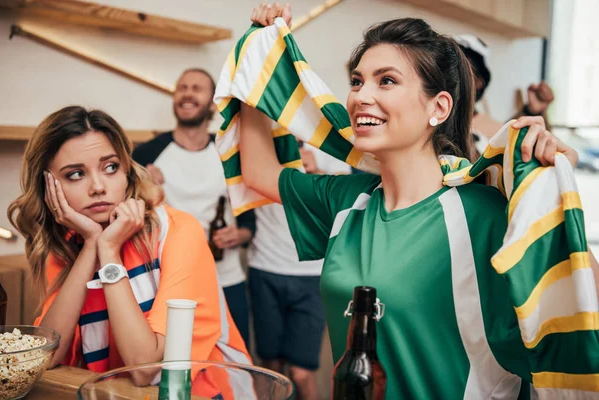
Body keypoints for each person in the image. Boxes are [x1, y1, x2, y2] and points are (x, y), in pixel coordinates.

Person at [234, 4, 599, 398]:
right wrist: (258, 56)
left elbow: (583, 307)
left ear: (438, 107)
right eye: (357, 82)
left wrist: (554, 192)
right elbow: (257, 171)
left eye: (386, 81)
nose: (360, 97)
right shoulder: (347, 202)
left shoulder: (483, 212)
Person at [7, 107, 250, 384]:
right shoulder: (68, 245)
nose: (98, 187)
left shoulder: (179, 231)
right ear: (49, 188)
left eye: (110, 167)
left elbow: (146, 368)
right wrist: (91, 245)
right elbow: (46, 357)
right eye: (76, 174)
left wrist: (109, 252)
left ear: (127, 172)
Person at [132, 68, 255, 347]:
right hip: (170, 283)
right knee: (180, 365)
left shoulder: (228, 153)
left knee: (236, 362)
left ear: (213, 103)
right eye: (182, 87)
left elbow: (249, 223)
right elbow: (129, 219)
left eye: (197, 88)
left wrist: (239, 234)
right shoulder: (146, 154)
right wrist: (144, 188)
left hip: (226, 279)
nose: (187, 93)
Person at [248, 141, 350, 400]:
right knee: (269, 367)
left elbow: (345, 208)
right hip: (265, 266)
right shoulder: (261, 146)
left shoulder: (331, 146)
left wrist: (315, 173)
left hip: (312, 274)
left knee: (302, 373)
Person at [454, 34, 555, 148]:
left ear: (479, 82)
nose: (451, 76)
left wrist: (532, 112)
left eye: (461, 70)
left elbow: (529, 151)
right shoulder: (433, 117)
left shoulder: (493, 132)